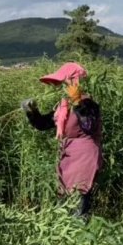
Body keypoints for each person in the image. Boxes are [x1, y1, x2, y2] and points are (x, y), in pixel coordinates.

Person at [21, 62, 102, 219]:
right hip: (68, 157)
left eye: (64, 82)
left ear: (75, 82)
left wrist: (78, 102)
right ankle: (65, 234)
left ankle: (80, 235)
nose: (61, 87)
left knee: (79, 199)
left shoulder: (89, 104)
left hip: (85, 158)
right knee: (64, 199)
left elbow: (89, 125)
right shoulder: (64, 107)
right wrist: (32, 111)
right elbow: (43, 124)